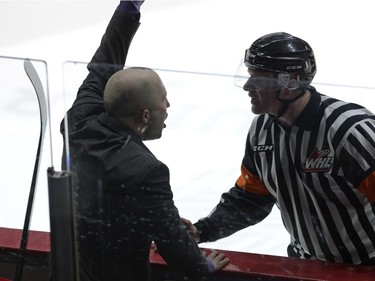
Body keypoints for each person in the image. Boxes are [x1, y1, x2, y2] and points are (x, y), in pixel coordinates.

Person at [61, 1, 229, 280]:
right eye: (164, 100)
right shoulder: (147, 170)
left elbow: (102, 66)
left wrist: (128, 8)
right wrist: (204, 267)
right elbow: (172, 245)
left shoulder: (79, 119)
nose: (169, 105)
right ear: (145, 115)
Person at [183, 32, 375, 266]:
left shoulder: (349, 130)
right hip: (306, 265)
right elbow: (250, 199)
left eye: (259, 79)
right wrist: (201, 231)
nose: (247, 86)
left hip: (366, 267)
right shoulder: (261, 129)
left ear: (291, 82)